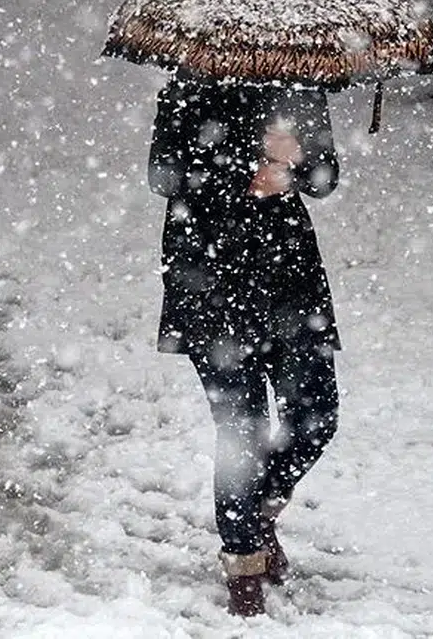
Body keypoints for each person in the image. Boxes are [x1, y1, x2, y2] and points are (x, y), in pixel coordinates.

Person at [147, 70, 341, 617]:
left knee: (316, 415)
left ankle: (254, 516)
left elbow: (325, 179)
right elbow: (164, 176)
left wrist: (296, 162)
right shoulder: (188, 88)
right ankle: (243, 571)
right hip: (210, 276)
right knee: (242, 431)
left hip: (289, 280)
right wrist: (246, 167)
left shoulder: (301, 85)